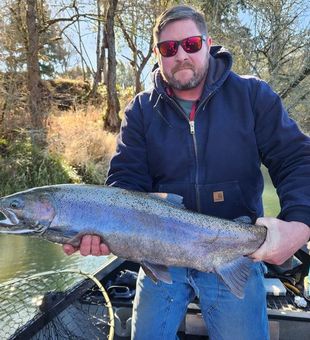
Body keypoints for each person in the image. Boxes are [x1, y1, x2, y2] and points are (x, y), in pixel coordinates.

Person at [63, 5, 310, 339]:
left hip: (235, 249)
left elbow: (296, 158)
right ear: (158, 54)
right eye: (169, 48)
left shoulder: (252, 96)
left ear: (207, 43)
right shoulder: (140, 111)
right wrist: (104, 228)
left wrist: (300, 221)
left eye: (191, 44)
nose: (181, 55)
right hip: (158, 257)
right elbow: (126, 182)